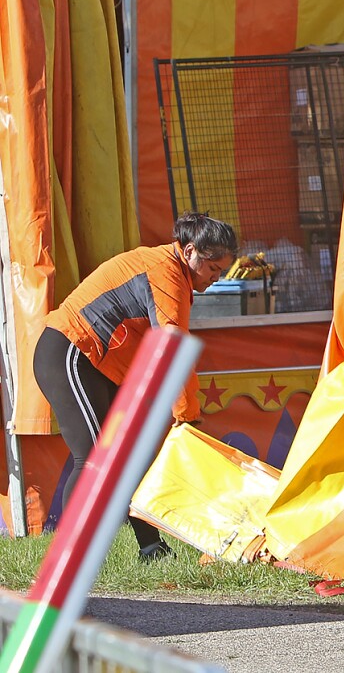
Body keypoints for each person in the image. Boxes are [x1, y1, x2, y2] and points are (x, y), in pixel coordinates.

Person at [34, 211, 237, 560]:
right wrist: (186, 416)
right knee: (96, 456)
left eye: (222, 272)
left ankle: (152, 548)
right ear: (189, 251)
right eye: (213, 269)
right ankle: (66, 559)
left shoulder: (175, 274)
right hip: (68, 350)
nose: (215, 279)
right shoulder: (166, 272)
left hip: (97, 363)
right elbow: (173, 346)